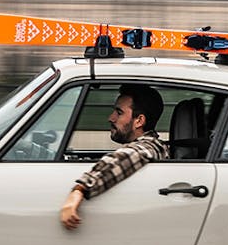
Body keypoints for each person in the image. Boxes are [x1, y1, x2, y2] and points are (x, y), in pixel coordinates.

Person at [60, 83, 167, 230]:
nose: (111, 118)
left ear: (139, 121)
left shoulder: (151, 146)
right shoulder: (148, 145)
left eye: (119, 112)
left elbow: (127, 156)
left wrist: (80, 189)